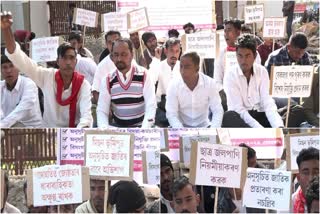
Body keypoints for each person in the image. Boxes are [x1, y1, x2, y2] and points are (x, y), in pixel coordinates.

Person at [1, 11, 93, 128]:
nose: (68, 62)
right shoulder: (47, 76)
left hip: (74, 135)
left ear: (76, 61)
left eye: (71, 58)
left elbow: (86, 116)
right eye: (64, 58)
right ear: (57, 61)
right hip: (49, 136)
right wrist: (6, 29)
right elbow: (19, 58)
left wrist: (75, 136)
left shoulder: (83, 84)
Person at [222, 34, 284, 128]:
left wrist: (278, 127)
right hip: (243, 119)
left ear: (254, 56)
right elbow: (238, 109)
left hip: (261, 114)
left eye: (247, 56)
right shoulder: (230, 75)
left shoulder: (262, 71)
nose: (243, 60)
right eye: (240, 56)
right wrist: (259, 130)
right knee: (228, 117)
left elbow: (267, 102)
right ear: (236, 55)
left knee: (294, 110)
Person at [97, 38, 156, 128]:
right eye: (116, 55)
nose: (119, 58)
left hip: (141, 126)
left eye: (124, 54)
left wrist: (144, 130)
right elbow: (102, 110)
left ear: (132, 55)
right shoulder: (107, 80)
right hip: (118, 128)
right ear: (112, 57)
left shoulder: (144, 75)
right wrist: (104, 129)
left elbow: (151, 106)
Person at [166, 51, 223, 128]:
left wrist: (213, 131)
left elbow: (217, 110)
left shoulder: (210, 83)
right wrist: (181, 132)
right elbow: (171, 113)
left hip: (204, 127)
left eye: (187, 67)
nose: (182, 71)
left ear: (197, 69)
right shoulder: (173, 85)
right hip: (180, 127)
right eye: (181, 66)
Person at [214, 18, 261, 111]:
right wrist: (225, 93)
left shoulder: (253, 53)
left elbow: (256, 78)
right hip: (228, 101)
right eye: (225, 31)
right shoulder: (221, 54)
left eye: (229, 30)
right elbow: (217, 80)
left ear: (238, 32)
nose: (226, 34)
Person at [1, 55, 42, 128]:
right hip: (7, 127)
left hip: (30, 128)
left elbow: (23, 109)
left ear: (19, 68)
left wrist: (2, 125)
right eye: (4, 67)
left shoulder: (29, 84)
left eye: (12, 66)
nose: (8, 71)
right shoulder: (1, 86)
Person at [152, 38, 181, 127]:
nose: (174, 54)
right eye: (171, 51)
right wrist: (156, 60)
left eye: (177, 51)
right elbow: (151, 79)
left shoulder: (183, 66)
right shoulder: (158, 65)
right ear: (165, 51)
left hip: (179, 109)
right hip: (161, 109)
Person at [92, 30, 121, 103]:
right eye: (110, 42)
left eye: (116, 41)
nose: (113, 44)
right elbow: (95, 91)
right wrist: (104, 110)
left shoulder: (129, 60)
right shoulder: (102, 66)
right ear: (106, 44)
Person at [293, 147, 319, 213]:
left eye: (316, 172)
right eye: (306, 173)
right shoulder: (289, 205)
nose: (311, 178)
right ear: (298, 178)